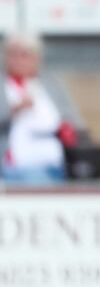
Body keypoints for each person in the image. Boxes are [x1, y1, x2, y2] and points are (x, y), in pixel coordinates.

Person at [0, 33, 83, 183]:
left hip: (56, 162)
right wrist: (14, 110)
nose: (18, 60)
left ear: (36, 58)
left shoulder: (52, 83)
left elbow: (74, 120)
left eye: (24, 55)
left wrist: (66, 129)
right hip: (17, 166)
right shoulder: (3, 85)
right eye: (12, 54)